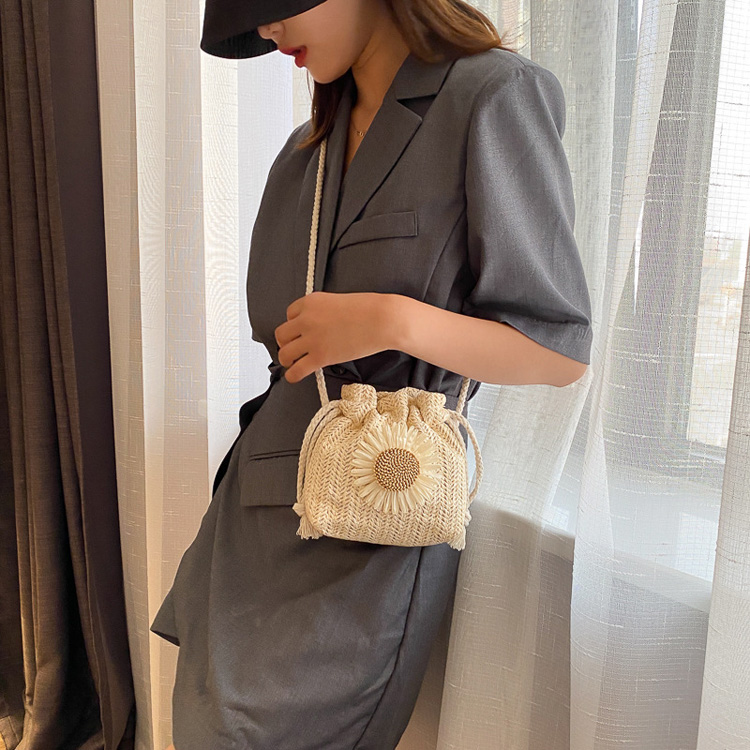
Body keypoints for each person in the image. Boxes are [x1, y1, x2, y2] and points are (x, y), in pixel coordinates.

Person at [152, 0, 593, 748]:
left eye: (272, 5)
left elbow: (559, 350)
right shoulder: (304, 154)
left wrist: (392, 320)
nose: (266, 28)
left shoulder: (491, 96)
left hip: (371, 530)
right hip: (249, 533)